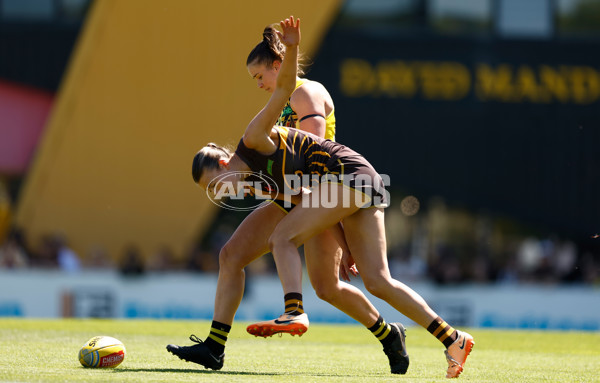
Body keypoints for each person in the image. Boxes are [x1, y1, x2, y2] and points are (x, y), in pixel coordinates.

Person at [176, 17, 475, 378]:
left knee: (283, 240)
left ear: (277, 66)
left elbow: (312, 153)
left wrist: (293, 46)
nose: (258, 86)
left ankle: (293, 310)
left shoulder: (299, 95)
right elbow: (295, 182)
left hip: (332, 182)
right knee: (343, 282)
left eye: (260, 77)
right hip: (329, 189)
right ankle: (440, 337)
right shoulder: (253, 172)